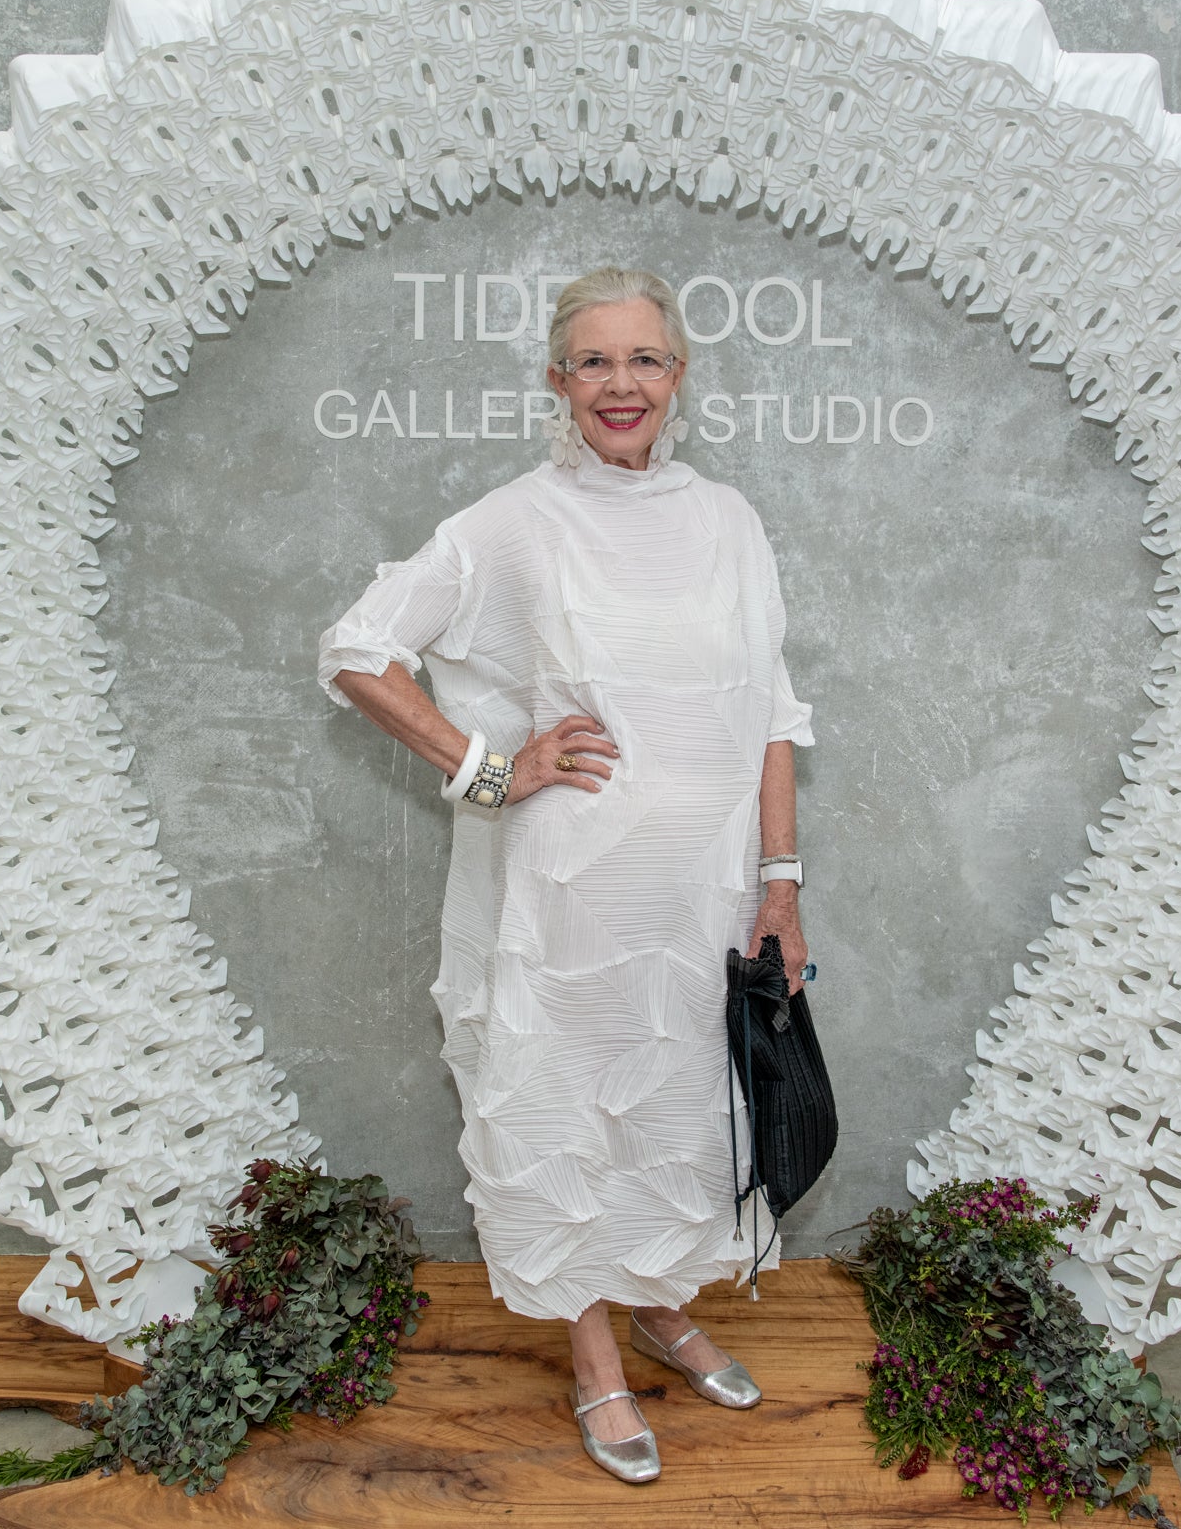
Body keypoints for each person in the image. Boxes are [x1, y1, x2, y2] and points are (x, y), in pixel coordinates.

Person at [318, 267, 813, 1484]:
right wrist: (490, 770)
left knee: (678, 1104)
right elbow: (356, 647)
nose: (619, 384)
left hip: (700, 894)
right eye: (593, 361)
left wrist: (780, 882)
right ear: (556, 379)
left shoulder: (730, 519)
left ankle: (659, 1302)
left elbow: (769, 710)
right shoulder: (517, 521)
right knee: (565, 1108)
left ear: (677, 375)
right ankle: (592, 1351)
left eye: (643, 359)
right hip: (570, 894)